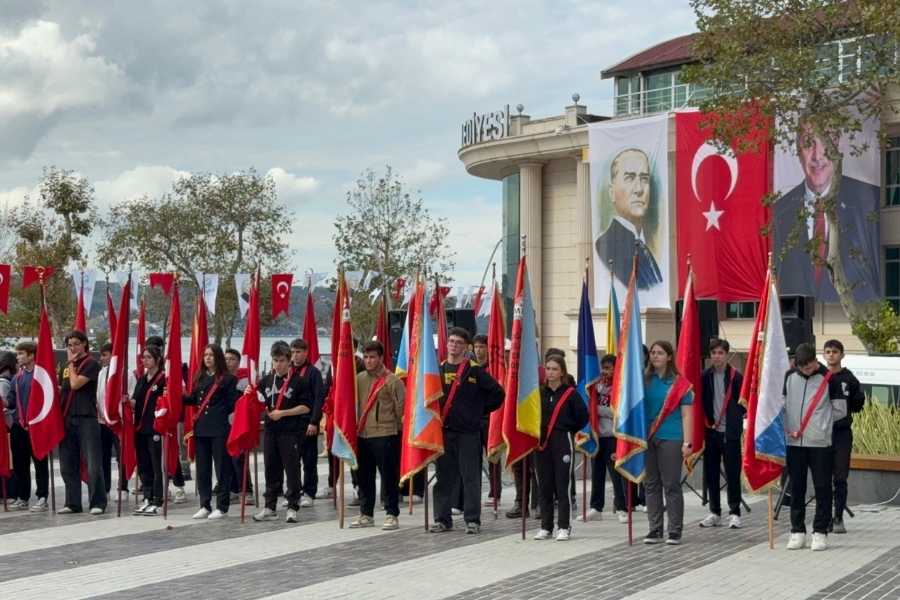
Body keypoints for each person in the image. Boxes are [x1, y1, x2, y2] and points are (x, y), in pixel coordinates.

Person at [773, 125, 880, 302]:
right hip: (792, 316)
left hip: (854, 314)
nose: (817, 156)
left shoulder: (869, 200)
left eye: (826, 141)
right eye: (808, 143)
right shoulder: (778, 212)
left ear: (838, 145)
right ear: (798, 151)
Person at [430, 328, 505, 534]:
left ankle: (472, 520)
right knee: (443, 478)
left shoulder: (474, 371)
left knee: (470, 478)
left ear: (465, 347)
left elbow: (498, 394)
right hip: (444, 432)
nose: (454, 345)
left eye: (459, 342)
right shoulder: (438, 369)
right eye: (451, 341)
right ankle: (442, 520)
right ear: (447, 344)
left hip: (469, 434)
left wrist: (477, 411)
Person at [784, 343, 848, 551]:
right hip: (794, 442)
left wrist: (822, 424)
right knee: (796, 488)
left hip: (820, 443)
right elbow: (782, 403)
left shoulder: (830, 379)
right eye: (801, 367)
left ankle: (820, 532)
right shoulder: (789, 377)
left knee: (822, 488)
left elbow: (840, 410)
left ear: (815, 360)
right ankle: (797, 531)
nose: (805, 370)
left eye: (809, 366)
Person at [349, 341, 406, 530]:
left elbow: (401, 408)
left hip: (385, 435)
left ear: (381, 358)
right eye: (366, 357)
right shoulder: (359, 378)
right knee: (364, 478)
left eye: (372, 357)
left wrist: (392, 426)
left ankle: (391, 514)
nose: (368, 361)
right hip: (363, 434)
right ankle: (366, 514)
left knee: (388, 478)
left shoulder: (393, 381)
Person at [642, 340, 693, 545]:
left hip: (672, 437)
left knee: (671, 484)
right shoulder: (643, 380)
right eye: (653, 352)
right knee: (650, 484)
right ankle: (655, 529)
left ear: (669, 357)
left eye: (660, 353)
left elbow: (687, 415)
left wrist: (688, 443)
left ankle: (674, 530)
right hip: (647, 437)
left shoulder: (679, 383)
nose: (655, 356)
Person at [253, 342, 311, 524]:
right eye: (275, 360)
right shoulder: (266, 381)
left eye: (282, 361)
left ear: (289, 360)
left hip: (290, 432)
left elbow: (306, 407)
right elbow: (257, 401)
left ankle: (292, 507)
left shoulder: (298, 381)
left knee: (292, 470)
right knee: (270, 470)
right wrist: (249, 395)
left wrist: (283, 413)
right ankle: (270, 507)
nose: (278, 364)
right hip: (270, 431)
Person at [533, 356, 589, 541]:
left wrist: (568, 428)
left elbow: (583, 416)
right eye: (548, 368)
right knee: (544, 485)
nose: (550, 372)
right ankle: (545, 526)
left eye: (554, 369)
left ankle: (564, 526)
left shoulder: (570, 393)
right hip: (542, 442)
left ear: (562, 372)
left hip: (562, 440)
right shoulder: (539, 392)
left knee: (562, 485)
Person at [182, 344, 239, 519]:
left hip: (219, 428)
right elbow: (194, 399)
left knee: (222, 469)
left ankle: (222, 507)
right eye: (205, 355)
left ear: (218, 357)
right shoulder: (199, 376)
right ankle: (204, 505)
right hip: (201, 428)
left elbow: (232, 403)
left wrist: (217, 412)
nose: (207, 358)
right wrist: (178, 396)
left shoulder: (228, 379)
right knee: (203, 469)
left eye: (211, 355)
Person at [594, 148, 663, 290]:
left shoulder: (644, 247)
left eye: (644, 179)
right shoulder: (607, 245)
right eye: (629, 178)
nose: (639, 189)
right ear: (611, 192)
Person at [57, 331, 106, 515]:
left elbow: (76, 384)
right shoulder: (65, 367)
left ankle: (97, 502)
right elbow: (64, 388)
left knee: (92, 462)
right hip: (67, 417)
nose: (73, 348)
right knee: (67, 463)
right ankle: (72, 502)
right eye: (70, 345)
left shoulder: (91, 364)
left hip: (86, 418)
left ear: (84, 343)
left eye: (76, 344)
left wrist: (71, 363)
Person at [698, 339, 746, 529]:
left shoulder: (736, 377)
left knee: (733, 474)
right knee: (711, 474)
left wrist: (733, 420)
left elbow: (743, 403)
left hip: (729, 434)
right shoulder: (704, 376)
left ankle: (734, 512)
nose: (716, 357)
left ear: (727, 354)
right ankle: (714, 512)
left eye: (720, 353)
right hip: (710, 432)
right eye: (713, 353)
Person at [821, 340, 865, 534]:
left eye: (835, 351)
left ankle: (838, 516)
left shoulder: (849, 379)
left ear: (842, 355)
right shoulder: (819, 377)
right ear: (823, 355)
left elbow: (857, 403)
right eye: (828, 351)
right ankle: (824, 517)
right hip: (821, 433)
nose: (831, 355)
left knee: (840, 477)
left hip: (841, 434)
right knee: (823, 477)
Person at [580, 354, 628, 524]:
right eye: (603, 368)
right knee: (597, 474)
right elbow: (588, 403)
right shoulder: (596, 385)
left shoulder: (620, 387)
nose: (605, 371)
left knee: (616, 474)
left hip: (612, 436)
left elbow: (616, 411)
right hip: (596, 435)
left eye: (609, 368)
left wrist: (596, 410)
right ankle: (596, 507)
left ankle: (622, 508)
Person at [5, 343, 49, 511]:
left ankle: (42, 497)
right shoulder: (17, 377)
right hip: (19, 425)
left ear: (31, 356)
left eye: (21, 353)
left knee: (40, 462)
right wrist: (3, 400)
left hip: (37, 426)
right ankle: (23, 497)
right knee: (20, 463)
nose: (17, 357)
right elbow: (11, 401)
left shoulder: (42, 376)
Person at [130, 345, 166, 516]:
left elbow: (167, 403)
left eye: (148, 357)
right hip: (140, 427)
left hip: (155, 428)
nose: (144, 360)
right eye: (143, 357)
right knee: (143, 464)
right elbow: (136, 402)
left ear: (157, 359)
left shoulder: (163, 379)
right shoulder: (141, 379)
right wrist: (124, 401)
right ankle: (147, 498)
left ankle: (158, 500)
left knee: (156, 465)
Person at [290, 338, 326, 508]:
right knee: (292, 461)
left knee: (309, 461)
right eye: (292, 352)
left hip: (308, 423)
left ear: (305, 353)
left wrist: (314, 421)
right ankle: (294, 492)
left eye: (298, 352)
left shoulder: (313, 372)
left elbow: (319, 398)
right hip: (290, 423)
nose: (295, 356)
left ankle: (309, 493)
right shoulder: (288, 371)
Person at [473, 333, 503, 506]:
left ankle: (495, 493)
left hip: (490, 418)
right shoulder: (470, 367)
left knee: (493, 456)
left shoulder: (493, 369)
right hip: (474, 419)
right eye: (476, 347)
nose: (478, 350)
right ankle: (474, 493)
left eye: (481, 347)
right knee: (473, 459)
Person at [223, 348, 253, 505]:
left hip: (239, 423)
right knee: (227, 458)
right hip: (223, 423)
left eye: (232, 359)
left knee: (238, 458)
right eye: (226, 359)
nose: (228, 362)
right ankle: (233, 488)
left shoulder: (244, 380)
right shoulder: (220, 378)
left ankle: (247, 490)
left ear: (238, 362)